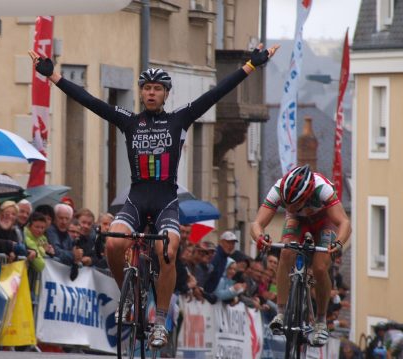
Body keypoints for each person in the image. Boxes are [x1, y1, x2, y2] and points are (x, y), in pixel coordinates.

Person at [30, 42, 278, 347]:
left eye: (157, 88)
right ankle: (129, 297)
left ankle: (159, 319)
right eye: (146, 88)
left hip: (165, 201)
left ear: (165, 93)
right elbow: (90, 101)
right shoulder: (128, 121)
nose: (150, 93)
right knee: (113, 243)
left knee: (168, 250)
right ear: (140, 92)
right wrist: (53, 75)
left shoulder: (179, 119)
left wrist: (250, 66)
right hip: (135, 199)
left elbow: (215, 94)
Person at [250, 165, 351, 347]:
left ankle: (320, 321)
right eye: (287, 203)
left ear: (306, 196)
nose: (289, 207)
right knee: (286, 252)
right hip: (297, 220)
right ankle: (281, 312)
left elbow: (344, 222)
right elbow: (257, 223)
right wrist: (259, 237)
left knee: (320, 268)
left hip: (324, 221)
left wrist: (338, 243)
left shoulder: (322, 188)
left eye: (294, 204)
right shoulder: (278, 189)